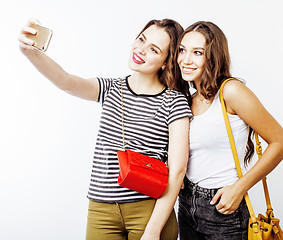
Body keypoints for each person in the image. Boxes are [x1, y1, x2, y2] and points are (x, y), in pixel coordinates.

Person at [18, 18, 192, 240]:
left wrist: (153, 230)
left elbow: (177, 171)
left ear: (166, 62)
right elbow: (66, 81)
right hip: (101, 209)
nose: (141, 50)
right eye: (141, 40)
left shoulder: (174, 101)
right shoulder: (110, 88)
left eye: (154, 50)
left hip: (149, 211)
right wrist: (30, 53)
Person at [175, 21, 283, 240]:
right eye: (182, 50)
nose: (186, 60)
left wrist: (239, 188)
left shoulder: (231, 91)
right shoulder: (187, 99)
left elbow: (279, 142)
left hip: (223, 210)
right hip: (186, 205)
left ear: (213, 56)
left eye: (197, 52)